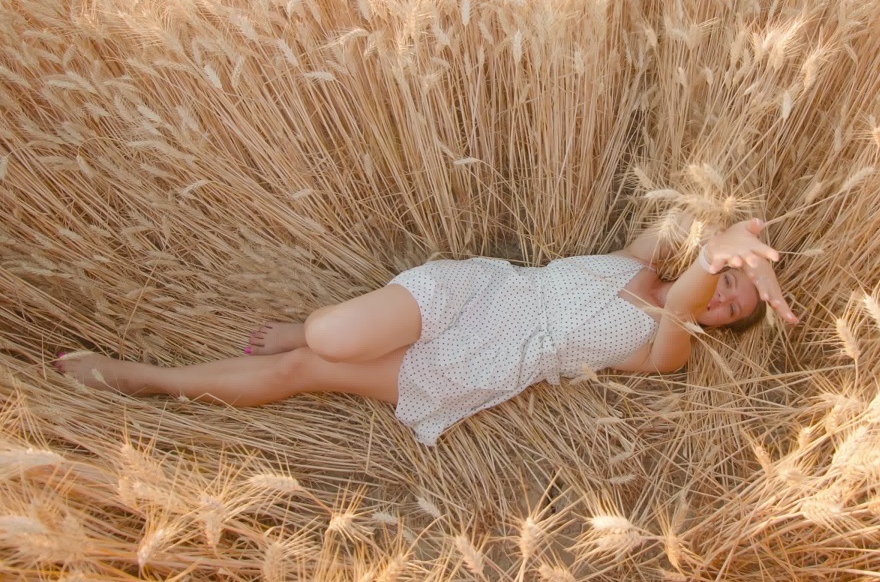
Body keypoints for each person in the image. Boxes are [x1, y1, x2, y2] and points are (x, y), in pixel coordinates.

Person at [55, 216, 798, 445]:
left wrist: (715, 258)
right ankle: (312, 326)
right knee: (335, 337)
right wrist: (742, 237)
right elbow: (679, 212)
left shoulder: (662, 347)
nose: (722, 297)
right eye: (729, 283)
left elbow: (686, 293)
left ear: (716, 326)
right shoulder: (636, 261)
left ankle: (136, 377)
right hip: (472, 295)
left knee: (301, 370)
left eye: (731, 308)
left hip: (475, 369)